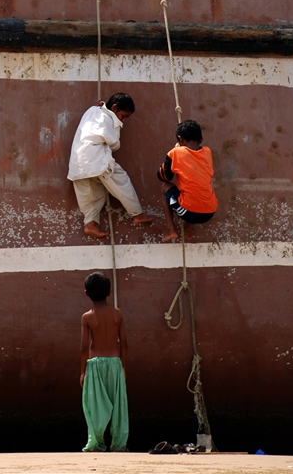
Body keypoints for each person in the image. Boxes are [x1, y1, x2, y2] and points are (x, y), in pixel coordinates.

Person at [68, 93, 153, 238]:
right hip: (97, 161)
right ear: (114, 108)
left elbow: (99, 111)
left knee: (94, 196)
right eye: (123, 116)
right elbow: (114, 144)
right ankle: (137, 213)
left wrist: (102, 106)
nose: (123, 121)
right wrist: (116, 125)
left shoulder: (93, 110)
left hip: (78, 164)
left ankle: (90, 224)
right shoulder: (110, 119)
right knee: (122, 182)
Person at [79, 271, 129, 452]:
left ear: (86, 293)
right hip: (115, 363)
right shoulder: (117, 314)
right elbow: (124, 342)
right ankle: (119, 444)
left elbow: (84, 347)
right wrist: (123, 366)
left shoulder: (87, 317)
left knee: (94, 406)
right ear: (109, 292)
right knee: (119, 406)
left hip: (95, 365)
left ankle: (97, 443)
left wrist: (83, 371)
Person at [157, 119, 218, 242]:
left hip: (189, 212)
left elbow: (163, 177)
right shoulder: (207, 152)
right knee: (192, 190)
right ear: (200, 140)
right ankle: (188, 230)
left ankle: (171, 229)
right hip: (210, 211)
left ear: (180, 139)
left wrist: (174, 153)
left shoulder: (176, 153)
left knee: (165, 187)